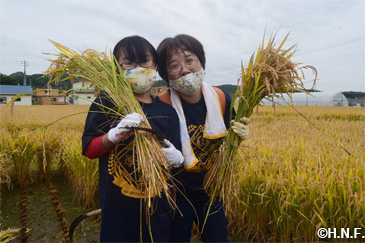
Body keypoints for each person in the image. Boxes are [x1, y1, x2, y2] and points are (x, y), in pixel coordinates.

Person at [81, 35, 183, 242]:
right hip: (117, 209)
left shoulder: (167, 112)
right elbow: (89, 150)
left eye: (144, 61)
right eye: (129, 63)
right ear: (117, 69)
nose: (138, 68)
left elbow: (175, 165)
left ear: (155, 65)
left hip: (158, 206)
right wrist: (112, 136)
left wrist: (175, 159)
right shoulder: (106, 104)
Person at [156, 34, 249, 242]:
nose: (185, 69)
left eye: (190, 60)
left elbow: (229, 140)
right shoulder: (161, 105)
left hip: (211, 189)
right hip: (175, 193)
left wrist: (240, 135)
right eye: (174, 66)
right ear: (167, 75)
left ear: (201, 62)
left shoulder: (221, 98)